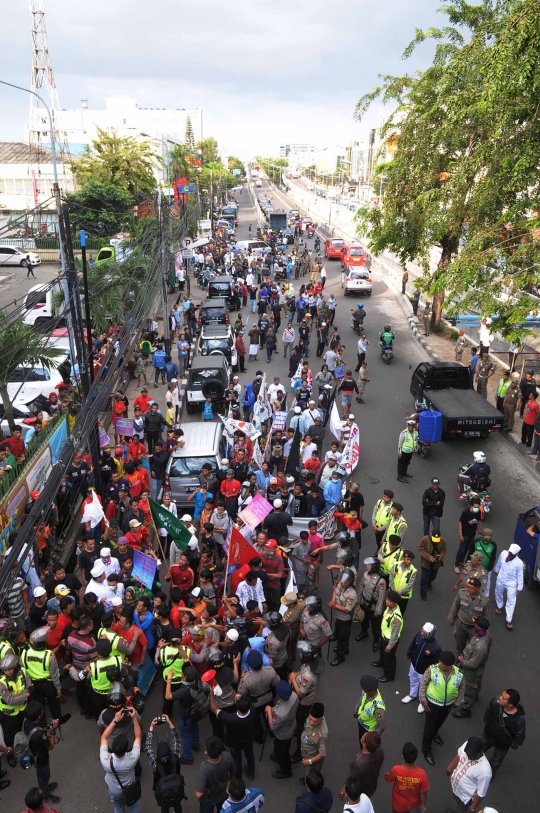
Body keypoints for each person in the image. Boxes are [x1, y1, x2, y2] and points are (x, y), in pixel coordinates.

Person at [419, 651, 465, 765]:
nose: (439, 664)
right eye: (439, 661)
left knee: (439, 722)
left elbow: (462, 689)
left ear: (449, 666)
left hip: (448, 705)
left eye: (442, 663)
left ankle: (435, 733)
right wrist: (423, 699)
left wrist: (457, 703)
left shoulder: (459, 674)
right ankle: (426, 750)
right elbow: (423, 683)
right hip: (432, 705)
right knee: (429, 728)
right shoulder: (432, 669)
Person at [22, 701, 62, 804]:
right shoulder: (39, 735)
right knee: (44, 776)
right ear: (39, 716)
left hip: (33, 751)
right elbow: (51, 746)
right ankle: (45, 795)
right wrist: (52, 731)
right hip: (41, 758)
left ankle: (45, 787)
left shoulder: (26, 721)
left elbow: (33, 732)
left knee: (43, 775)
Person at [144, 714, 185, 813]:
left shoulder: (155, 765)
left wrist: (151, 728)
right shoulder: (175, 757)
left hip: (163, 790)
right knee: (177, 804)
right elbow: (176, 740)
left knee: (164, 807)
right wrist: (169, 722)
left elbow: (148, 748)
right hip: (176, 787)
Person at [453, 617, 492, 718]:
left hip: (471, 671)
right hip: (478, 667)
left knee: (470, 688)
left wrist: (462, 660)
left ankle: (466, 709)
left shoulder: (480, 647)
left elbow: (473, 664)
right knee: (477, 683)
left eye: (476, 625)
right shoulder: (487, 635)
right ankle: (476, 695)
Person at [481, 688, 526, 774]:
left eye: (503, 698)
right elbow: (488, 713)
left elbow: (520, 734)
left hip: (503, 743)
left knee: (495, 762)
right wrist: (488, 725)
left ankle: (488, 774)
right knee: (478, 751)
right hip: (488, 735)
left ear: (510, 704)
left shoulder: (519, 719)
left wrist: (514, 744)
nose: (500, 698)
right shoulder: (495, 702)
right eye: (502, 695)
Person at [401, 622, 442, 713]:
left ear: (430, 634)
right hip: (414, 666)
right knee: (413, 680)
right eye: (422, 631)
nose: (422, 633)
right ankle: (412, 695)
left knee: (424, 687)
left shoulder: (436, 647)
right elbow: (412, 645)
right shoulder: (419, 636)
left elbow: (437, 663)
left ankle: (422, 701)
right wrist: (409, 655)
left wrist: (431, 672)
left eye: (424, 632)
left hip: (425, 671)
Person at [446, 737, 492, 813]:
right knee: (457, 802)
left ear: (479, 752)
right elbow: (459, 755)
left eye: (471, 756)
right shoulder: (468, 745)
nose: (468, 757)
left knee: (462, 810)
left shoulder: (485, 771)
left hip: (465, 797)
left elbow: (480, 794)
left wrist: (472, 808)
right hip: (456, 788)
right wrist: (450, 766)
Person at [448, 577, 490, 654]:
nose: (468, 589)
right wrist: (451, 618)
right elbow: (455, 606)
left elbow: (486, 616)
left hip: (474, 628)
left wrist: (484, 631)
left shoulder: (485, 600)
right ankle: (459, 657)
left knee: (473, 646)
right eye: (468, 586)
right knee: (459, 643)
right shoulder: (462, 593)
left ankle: (467, 659)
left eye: (471, 587)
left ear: (477, 588)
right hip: (461, 624)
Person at [265, 680, 298, 779]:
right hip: (291, 726)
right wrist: (274, 709)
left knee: (283, 754)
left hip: (283, 735)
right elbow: (279, 705)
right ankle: (277, 755)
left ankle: (286, 771)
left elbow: (272, 726)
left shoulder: (280, 714)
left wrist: (269, 711)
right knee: (279, 747)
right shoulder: (294, 695)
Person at [385, 741, 430, 813]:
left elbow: (388, 779)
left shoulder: (396, 769)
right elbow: (423, 792)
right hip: (414, 803)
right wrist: (423, 805)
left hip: (399, 804)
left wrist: (387, 775)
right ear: (417, 756)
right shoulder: (422, 774)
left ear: (402, 756)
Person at [195, 736, 235, 813]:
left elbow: (198, 794)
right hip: (223, 794)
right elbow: (233, 773)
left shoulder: (204, 769)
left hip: (208, 800)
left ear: (206, 751)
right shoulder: (227, 756)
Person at [371, 590, 403, 683]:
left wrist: (390, 646)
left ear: (394, 603)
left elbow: (395, 634)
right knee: (382, 652)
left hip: (390, 640)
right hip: (384, 636)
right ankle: (381, 662)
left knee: (390, 658)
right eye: (387, 599)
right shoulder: (389, 608)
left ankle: (389, 675)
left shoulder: (396, 618)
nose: (387, 601)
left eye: (389, 601)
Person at [329, 568, 357, 667]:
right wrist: (333, 600)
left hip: (344, 618)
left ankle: (340, 656)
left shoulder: (352, 594)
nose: (341, 582)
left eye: (344, 582)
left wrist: (334, 606)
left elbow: (347, 609)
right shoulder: (341, 585)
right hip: (338, 616)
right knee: (341, 633)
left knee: (342, 637)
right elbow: (335, 591)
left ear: (348, 583)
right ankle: (345, 648)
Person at [494, 544, 524, 631]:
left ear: (517, 554)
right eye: (510, 552)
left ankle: (509, 619)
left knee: (511, 600)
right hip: (501, 578)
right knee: (498, 592)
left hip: (511, 583)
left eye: (512, 553)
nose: (510, 554)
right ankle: (499, 606)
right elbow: (499, 562)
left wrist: (519, 587)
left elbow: (520, 575)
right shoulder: (503, 553)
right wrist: (496, 570)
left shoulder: (519, 563)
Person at [348, 731, 384, 799]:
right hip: (371, 785)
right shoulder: (380, 751)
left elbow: (351, 781)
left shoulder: (359, 765)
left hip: (361, 792)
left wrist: (342, 792)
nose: (365, 733)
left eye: (365, 736)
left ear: (364, 745)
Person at [354, 674, 386, 742]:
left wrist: (372, 739)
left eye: (363, 688)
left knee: (366, 746)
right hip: (361, 722)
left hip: (368, 730)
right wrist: (356, 708)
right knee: (361, 741)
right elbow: (362, 698)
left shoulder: (378, 709)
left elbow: (381, 726)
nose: (362, 689)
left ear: (370, 690)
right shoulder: (366, 692)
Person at [418, 532, 447, 600]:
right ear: (431, 534)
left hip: (436, 563)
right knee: (424, 578)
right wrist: (429, 557)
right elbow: (421, 549)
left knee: (433, 576)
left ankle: (429, 582)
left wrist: (441, 556)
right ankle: (423, 591)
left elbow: (444, 549)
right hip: (426, 563)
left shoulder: (442, 541)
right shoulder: (425, 539)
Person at [389, 551, 417, 616]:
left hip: (404, 596)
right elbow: (391, 578)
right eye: (407, 559)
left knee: (401, 610)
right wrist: (393, 590)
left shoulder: (413, 571)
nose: (409, 561)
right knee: (390, 607)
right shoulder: (396, 564)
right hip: (393, 592)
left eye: (410, 560)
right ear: (403, 558)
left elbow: (409, 586)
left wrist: (398, 593)